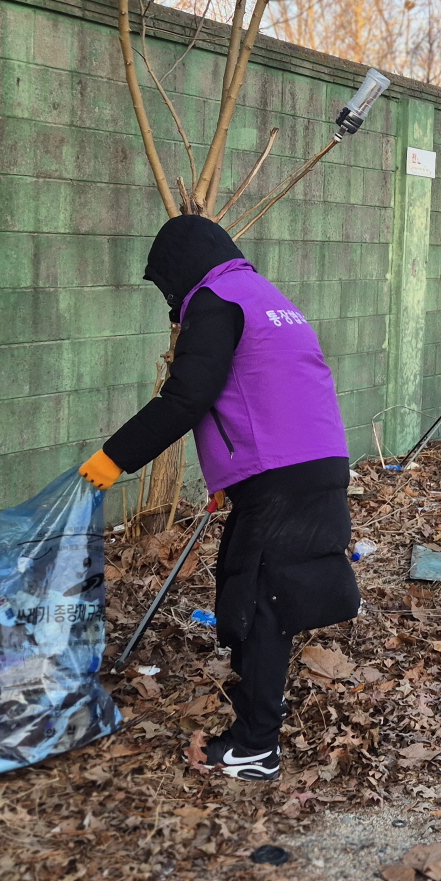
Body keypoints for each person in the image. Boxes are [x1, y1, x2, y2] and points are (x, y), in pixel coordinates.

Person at [77, 215, 357, 781]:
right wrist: (234, 474)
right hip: (315, 462)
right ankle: (254, 721)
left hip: (281, 474)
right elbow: (270, 386)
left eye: (165, 286)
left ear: (182, 268)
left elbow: (186, 399)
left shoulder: (216, 299)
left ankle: (255, 746)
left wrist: (113, 459)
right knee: (250, 586)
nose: (169, 301)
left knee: (260, 604)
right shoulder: (264, 295)